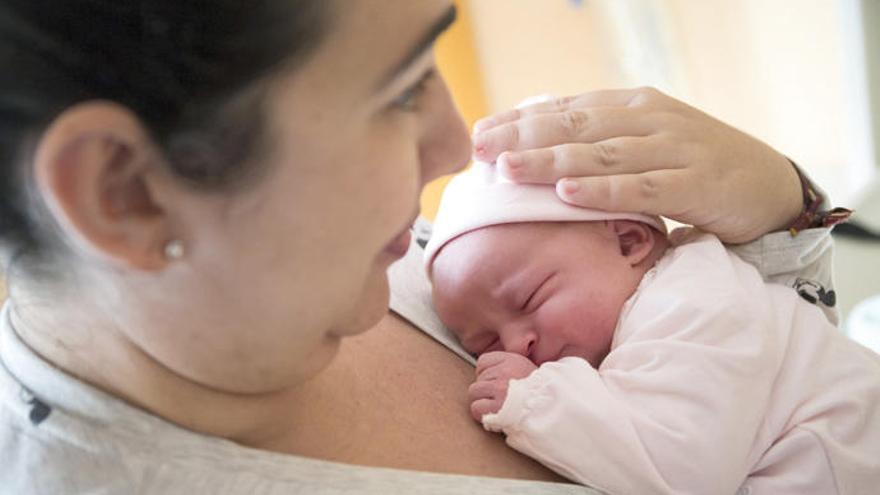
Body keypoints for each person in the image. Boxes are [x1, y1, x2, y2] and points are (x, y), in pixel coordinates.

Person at [0, 0, 850, 492]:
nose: (456, 143)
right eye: (399, 89)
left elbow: (779, 375)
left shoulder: (394, 247)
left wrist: (779, 208)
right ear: (126, 191)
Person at [424, 162, 880, 494]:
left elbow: (683, 471)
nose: (515, 344)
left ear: (629, 241)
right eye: (483, 342)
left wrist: (536, 401)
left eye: (528, 298)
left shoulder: (692, 304)